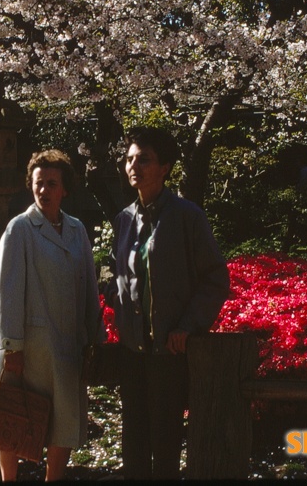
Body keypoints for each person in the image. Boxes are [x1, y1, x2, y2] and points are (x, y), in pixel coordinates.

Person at [111, 126, 230, 479]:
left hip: (169, 351)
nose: (134, 166)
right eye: (130, 159)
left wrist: (188, 326)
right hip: (132, 350)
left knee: (164, 445)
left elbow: (215, 278)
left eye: (144, 159)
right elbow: (120, 282)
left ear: (164, 167)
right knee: (132, 440)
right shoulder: (123, 220)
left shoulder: (186, 216)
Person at [0, 149, 104, 481]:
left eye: (52, 183)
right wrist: (11, 348)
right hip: (28, 349)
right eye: (39, 183)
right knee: (13, 416)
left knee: (64, 420)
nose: (44, 190)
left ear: (65, 189)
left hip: (69, 344)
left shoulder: (77, 230)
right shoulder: (20, 229)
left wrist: (94, 338)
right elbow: (6, 292)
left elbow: (89, 286)